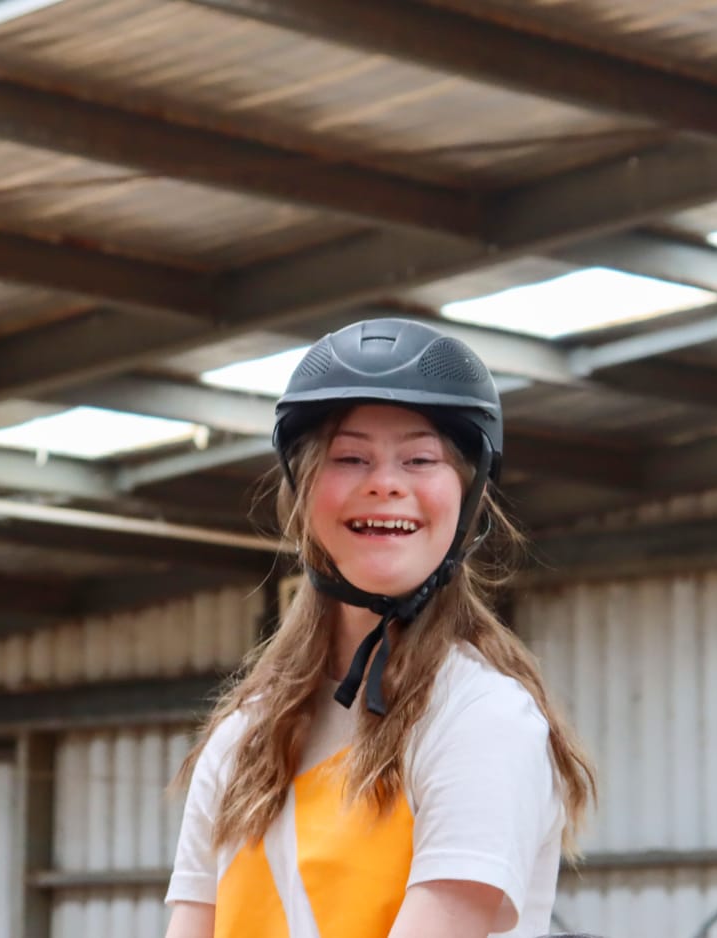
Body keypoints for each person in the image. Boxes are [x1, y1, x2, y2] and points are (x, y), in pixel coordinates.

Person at [164, 318, 596, 938]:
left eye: (420, 458)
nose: (385, 482)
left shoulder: (481, 718)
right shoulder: (243, 738)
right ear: (305, 491)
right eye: (351, 457)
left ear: (468, 497)